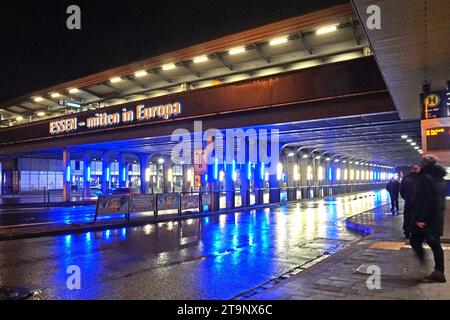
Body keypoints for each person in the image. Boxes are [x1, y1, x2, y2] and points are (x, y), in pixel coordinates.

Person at [410, 155, 447, 283]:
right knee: (435, 243)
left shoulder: (425, 178)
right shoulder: (440, 177)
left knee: (415, 240)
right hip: (436, 216)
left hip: (426, 218)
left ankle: (424, 263)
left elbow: (422, 199)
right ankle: (439, 271)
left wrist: (419, 218)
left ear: (425, 164)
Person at [400, 165, 421, 238]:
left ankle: (407, 232)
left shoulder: (405, 178)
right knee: (418, 217)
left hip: (408, 202)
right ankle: (417, 233)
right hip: (419, 203)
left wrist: (406, 198)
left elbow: (401, 191)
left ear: (411, 169)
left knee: (407, 218)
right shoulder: (422, 178)